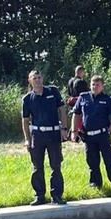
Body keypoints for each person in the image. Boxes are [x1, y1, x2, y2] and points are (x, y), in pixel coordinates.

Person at [71, 75, 111, 198]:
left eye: (97, 85)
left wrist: (109, 130)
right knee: (92, 162)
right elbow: (76, 114)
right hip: (89, 137)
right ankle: (96, 185)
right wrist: (74, 131)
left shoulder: (107, 99)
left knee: (109, 161)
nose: (95, 87)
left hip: (103, 136)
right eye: (93, 84)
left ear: (102, 86)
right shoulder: (83, 97)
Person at [21, 69, 69, 205]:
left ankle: (57, 196)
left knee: (56, 165)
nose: (37, 80)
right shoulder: (27, 99)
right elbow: (25, 120)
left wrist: (64, 129)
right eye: (34, 78)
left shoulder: (53, 91)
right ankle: (39, 196)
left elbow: (62, 110)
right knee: (37, 167)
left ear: (43, 78)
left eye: (39, 77)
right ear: (30, 81)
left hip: (53, 133)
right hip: (37, 135)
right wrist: (27, 139)